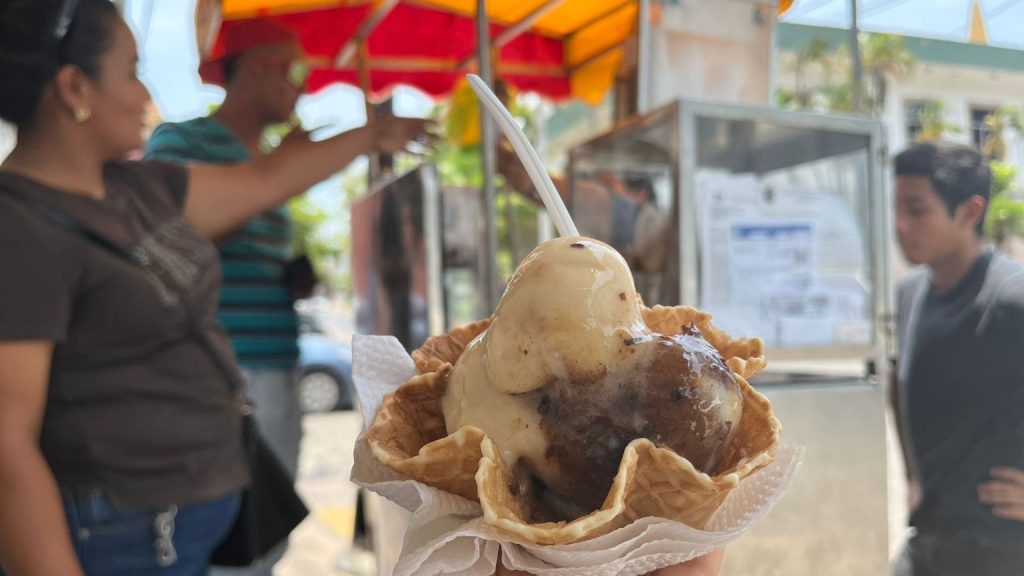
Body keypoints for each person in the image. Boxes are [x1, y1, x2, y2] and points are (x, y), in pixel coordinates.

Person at [0, 1, 426, 575]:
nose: (146, 93)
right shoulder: (19, 226)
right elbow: (8, 445)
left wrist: (369, 135)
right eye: (131, 71)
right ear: (75, 87)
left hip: (196, 515)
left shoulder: (136, 189)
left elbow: (262, 180)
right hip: (127, 532)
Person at [145, 18, 324, 486]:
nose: (303, 89)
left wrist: (291, 279)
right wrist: (274, 171)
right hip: (219, 370)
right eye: (296, 72)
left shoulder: (267, 159)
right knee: (225, 537)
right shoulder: (179, 140)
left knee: (267, 532)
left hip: (278, 364)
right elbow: (172, 239)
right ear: (259, 69)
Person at [890, 142, 1024, 575]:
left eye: (916, 209)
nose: (899, 225)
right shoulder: (910, 293)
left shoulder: (1010, 298)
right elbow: (900, 381)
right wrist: (914, 477)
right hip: (927, 541)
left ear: (969, 212)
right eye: (897, 208)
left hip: (1001, 550)